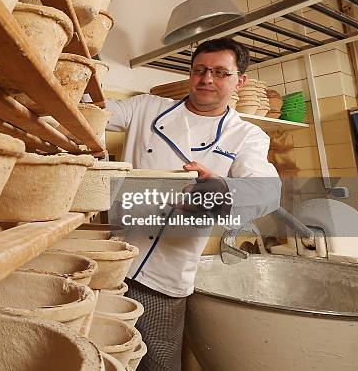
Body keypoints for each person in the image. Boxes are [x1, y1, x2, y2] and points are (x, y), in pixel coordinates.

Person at [106, 38, 281, 371]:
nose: (207, 79)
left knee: (157, 361)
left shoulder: (247, 135)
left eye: (220, 72)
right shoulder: (146, 108)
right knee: (106, 353)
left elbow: (267, 191)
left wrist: (220, 189)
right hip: (115, 256)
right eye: (199, 70)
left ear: (239, 81)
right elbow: (92, 112)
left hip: (167, 272)